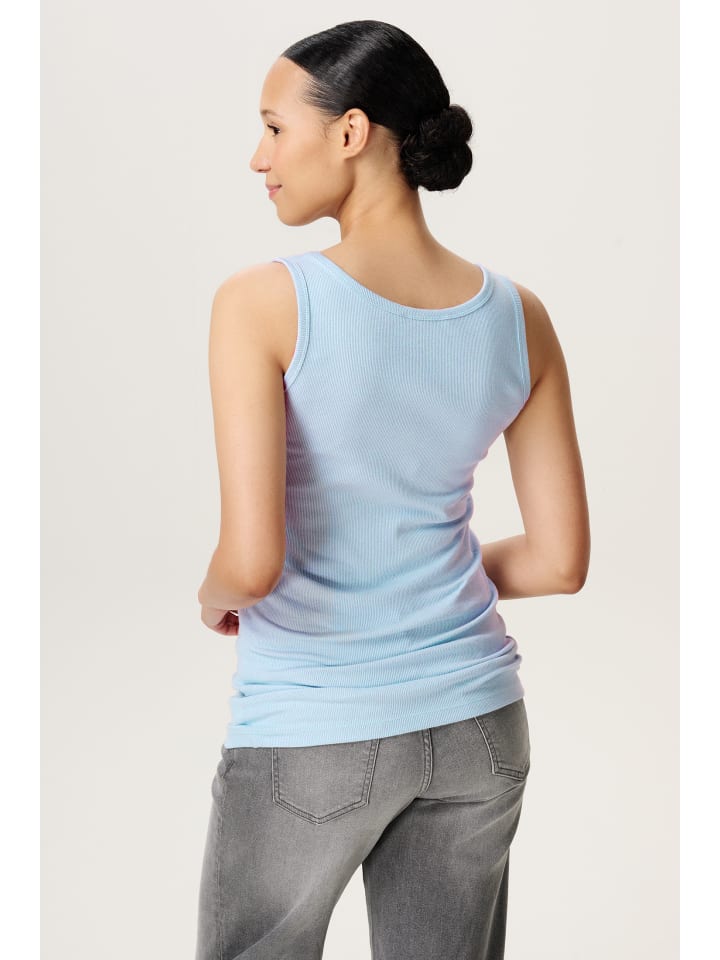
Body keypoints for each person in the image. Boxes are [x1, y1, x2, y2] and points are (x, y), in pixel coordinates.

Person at [194, 18, 590, 960]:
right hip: (480, 726)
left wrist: (213, 596)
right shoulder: (519, 316)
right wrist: (426, 570)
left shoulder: (263, 302)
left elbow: (251, 563)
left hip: (313, 727)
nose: (258, 157)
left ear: (350, 132)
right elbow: (559, 562)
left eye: (274, 128)